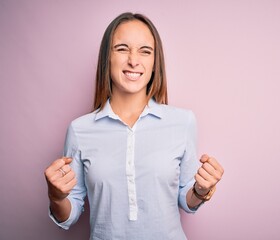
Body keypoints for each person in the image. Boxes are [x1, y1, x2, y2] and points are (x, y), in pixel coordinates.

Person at [44, 12, 224, 239]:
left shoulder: (183, 122)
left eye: (145, 51)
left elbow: (186, 201)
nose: (133, 60)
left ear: (154, 63)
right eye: (121, 48)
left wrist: (201, 190)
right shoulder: (80, 130)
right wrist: (56, 197)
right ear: (106, 58)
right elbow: (69, 214)